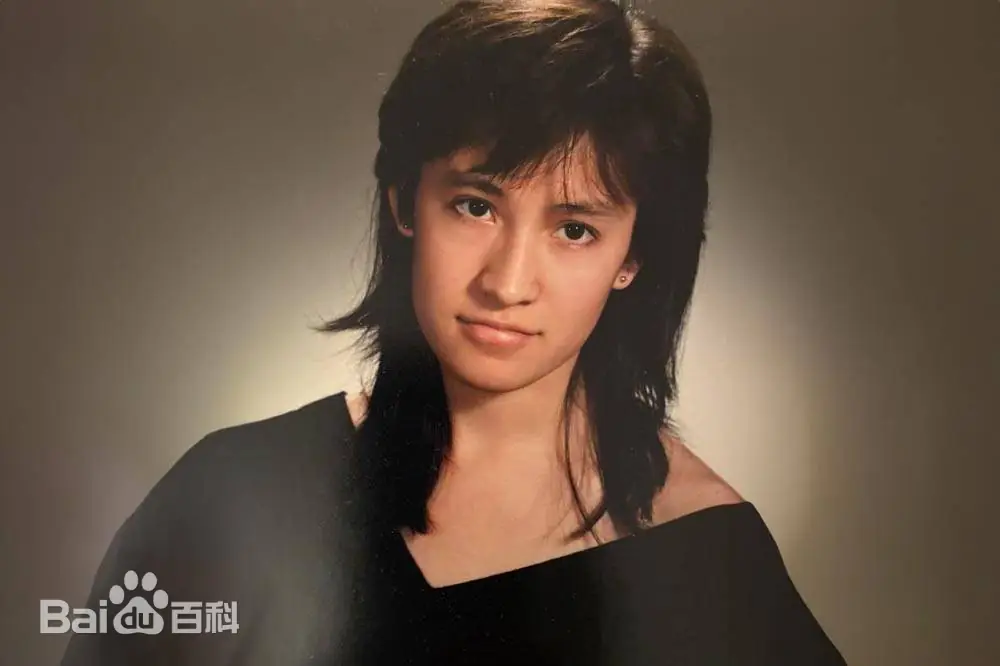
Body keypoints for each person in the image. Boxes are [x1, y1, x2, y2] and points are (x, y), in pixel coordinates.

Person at [62, 1, 846, 664]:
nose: (507, 282)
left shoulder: (710, 558)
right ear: (406, 202)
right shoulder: (233, 495)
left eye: (574, 229)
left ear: (633, 256)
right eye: (476, 206)